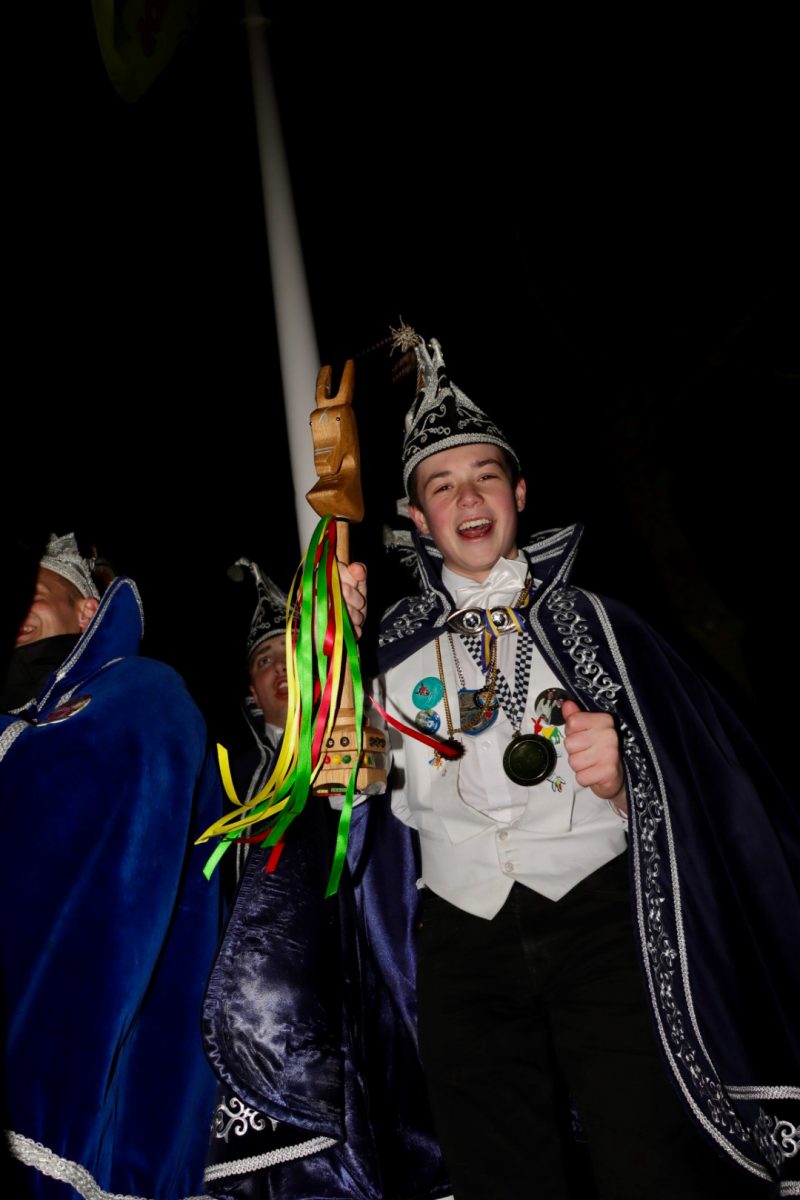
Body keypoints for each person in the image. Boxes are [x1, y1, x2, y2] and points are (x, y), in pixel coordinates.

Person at [375, 328, 799, 1199]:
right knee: (499, 1175)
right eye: (441, 486)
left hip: (600, 920)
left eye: (485, 476)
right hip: (459, 932)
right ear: (417, 519)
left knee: (647, 1162)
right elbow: (356, 797)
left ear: (519, 494)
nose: (468, 497)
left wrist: (624, 777)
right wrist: (331, 688)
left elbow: (700, 778)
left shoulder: (598, 624)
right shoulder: (384, 647)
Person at [202, 560, 447, 1200]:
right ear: (251, 692)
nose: (279, 669)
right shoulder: (228, 786)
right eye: (263, 661)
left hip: (372, 982)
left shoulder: (372, 728)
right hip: (267, 1017)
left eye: (289, 653)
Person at [0, 533, 221, 1200]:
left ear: (88, 609)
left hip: (81, 1107)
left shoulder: (139, 693)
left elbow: (114, 905)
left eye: (34, 594)